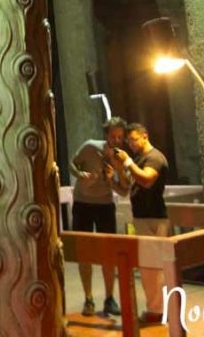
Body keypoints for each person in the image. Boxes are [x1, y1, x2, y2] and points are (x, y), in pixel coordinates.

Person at [69, 116, 130, 318]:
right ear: (106, 135)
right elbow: (72, 163)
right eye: (113, 136)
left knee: (108, 252)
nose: (116, 140)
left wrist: (115, 175)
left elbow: (124, 190)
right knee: (84, 251)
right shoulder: (90, 147)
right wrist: (80, 175)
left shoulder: (122, 157)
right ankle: (88, 298)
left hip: (105, 205)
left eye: (120, 137)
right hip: (83, 203)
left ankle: (110, 298)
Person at [114, 123, 170, 324]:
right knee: (149, 268)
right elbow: (126, 187)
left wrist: (128, 162)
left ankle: (157, 311)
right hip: (143, 217)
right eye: (129, 141)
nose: (131, 144)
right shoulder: (138, 159)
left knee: (153, 268)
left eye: (134, 139)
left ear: (145, 136)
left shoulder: (154, 157)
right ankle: (156, 309)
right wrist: (118, 171)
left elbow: (147, 180)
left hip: (153, 217)